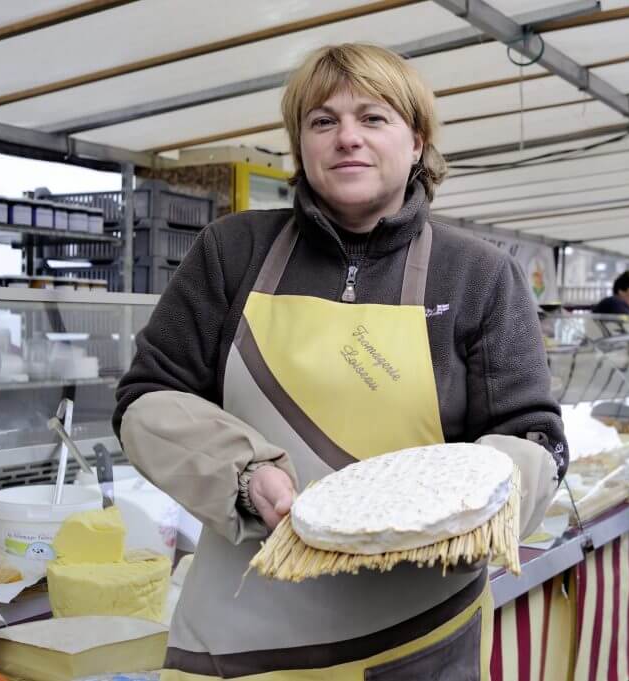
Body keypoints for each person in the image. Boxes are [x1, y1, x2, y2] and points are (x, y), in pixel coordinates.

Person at [113, 44, 567, 680]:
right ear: (301, 147)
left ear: (417, 142)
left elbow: (534, 436)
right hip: (243, 629)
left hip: (419, 631)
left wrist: (463, 505)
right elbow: (148, 401)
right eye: (322, 121)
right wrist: (243, 475)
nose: (346, 137)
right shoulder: (233, 250)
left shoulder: (480, 274)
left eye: (373, 118)